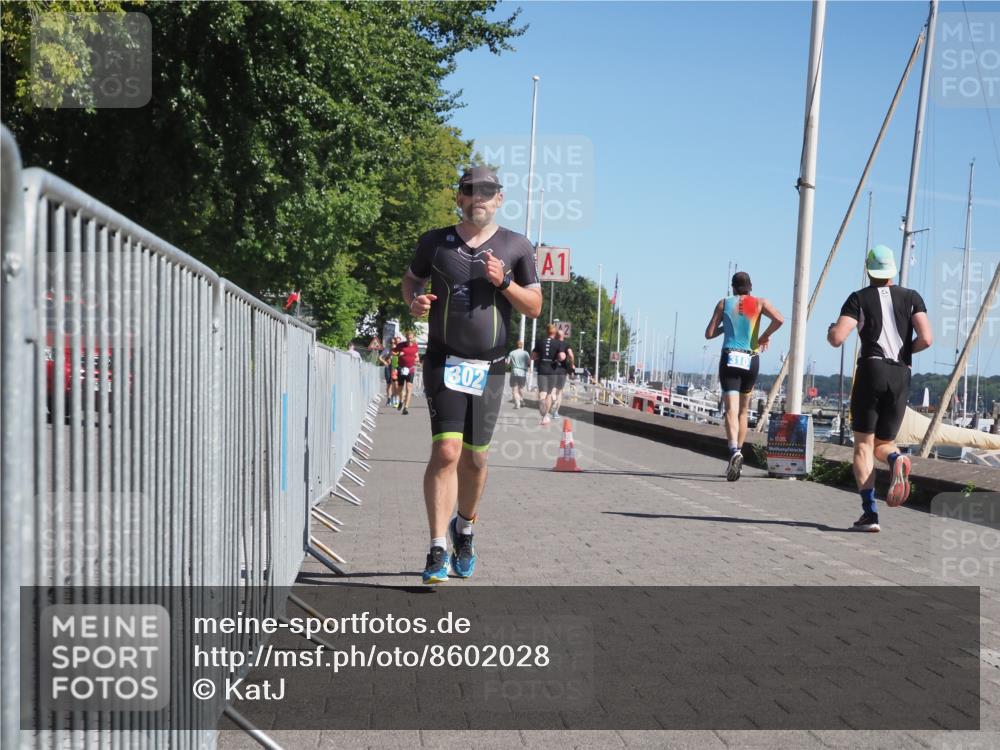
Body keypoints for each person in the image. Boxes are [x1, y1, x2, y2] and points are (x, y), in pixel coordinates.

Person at [402, 167, 542, 584]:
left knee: (476, 458)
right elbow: (411, 280)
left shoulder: (517, 246)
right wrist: (414, 301)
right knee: (446, 452)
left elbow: (534, 306)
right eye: (470, 190)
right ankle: (436, 549)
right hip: (443, 361)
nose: (478, 197)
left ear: (499, 199)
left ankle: (463, 529)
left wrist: (504, 283)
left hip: (491, 368)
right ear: (459, 197)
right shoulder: (434, 241)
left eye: (487, 191)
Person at [827, 244, 932, 532]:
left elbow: (837, 338)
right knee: (884, 443)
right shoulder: (912, 297)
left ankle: (870, 514)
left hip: (871, 370)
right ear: (892, 270)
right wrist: (905, 352)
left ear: (868, 269)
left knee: (863, 444)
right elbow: (927, 338)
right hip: (900, 373)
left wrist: (830, 329)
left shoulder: (858, 298)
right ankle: (896, 458)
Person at [705, 271, 784, 481]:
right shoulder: (760, 302)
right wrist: (764, 336)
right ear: (750, 287)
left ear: (732, 287)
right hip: (751, 358)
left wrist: (725, 327)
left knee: (730, 410)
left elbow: (709, 333)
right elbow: (779, 319)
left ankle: (734, 451)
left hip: (730, 357)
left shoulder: (723, 303)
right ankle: (738, 455)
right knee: (743, 411)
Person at [531, 324, 566, 426]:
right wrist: (559, 357)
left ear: (547, 331)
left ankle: (541, 401)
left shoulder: (540, 342)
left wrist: (539, 356)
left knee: (542, 393)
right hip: (552, 370)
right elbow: (562, 356)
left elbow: (532, 356)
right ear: (555, 333)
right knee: (549, 394)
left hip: (542, 368)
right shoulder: (558, 343)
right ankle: (545, 416)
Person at [393, 331, 421, 415]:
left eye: (411, 338)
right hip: (401, 369)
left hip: (410, 369)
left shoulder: (415, 346)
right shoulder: (400, 345)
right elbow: (393, 352)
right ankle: (401, 401)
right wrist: (399, 354)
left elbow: (417, 355)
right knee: (400, 388)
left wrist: (417, 359)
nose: (409, 340)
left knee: (409, 388)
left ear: (413, 338)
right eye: (408, 338)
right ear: (406, 337)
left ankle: (406, 408)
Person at [552, 328, 575, 419]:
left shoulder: (552, 343)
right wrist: (572, 364)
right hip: (562, 370)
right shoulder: (566, 345)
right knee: (560, 391)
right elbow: (571, 355)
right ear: (563, 336)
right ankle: (556, 412)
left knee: (552, 389)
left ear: (556, 336)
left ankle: (553, 400)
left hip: (552, 369)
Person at [506, 340, 530, 410]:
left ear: (516, 345)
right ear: (522, 345)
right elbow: (529, 362)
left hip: (514, 372)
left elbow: (507, 363)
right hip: (522, 372)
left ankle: (518, 403)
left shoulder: (512, 352)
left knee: (514, 390)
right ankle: (521, 399)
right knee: (521, 388)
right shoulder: (526, 353)